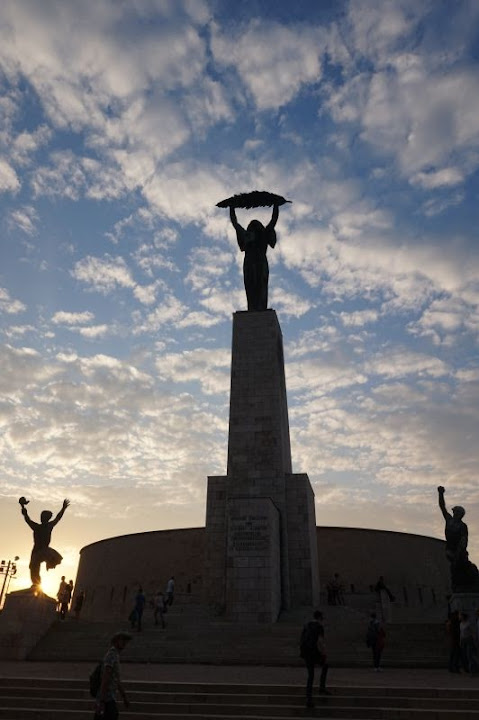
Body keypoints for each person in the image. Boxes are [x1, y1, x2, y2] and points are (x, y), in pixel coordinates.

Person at [229, 204, 279, 311]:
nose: (254, 227)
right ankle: (252, 308)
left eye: (256, 225)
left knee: (261, 285)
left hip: (260, 262)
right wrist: (231, 207)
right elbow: (235, 223)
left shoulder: (264, 234)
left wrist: (276, 205)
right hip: (249, 263)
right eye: (252, 225)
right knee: (250, 286)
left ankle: (261, 308)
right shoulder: (247, 235)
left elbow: (273, 220)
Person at [19, 496, 70, 588]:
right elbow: (27, 519)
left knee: (36, 565)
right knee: (33, 567)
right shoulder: (37, 527)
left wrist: (63, 508)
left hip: (44, 550)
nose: (42, 518)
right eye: (41, 516)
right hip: (36, 551)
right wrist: (22, 507)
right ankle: (36, 584)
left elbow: (58, 518)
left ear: (47, 518)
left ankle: (37, 582)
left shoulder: (49, 526)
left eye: (44, 517)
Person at [94, 630, 132, 720]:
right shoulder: (111, 655)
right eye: (122, 640)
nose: (124, 643)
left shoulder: (115, 655)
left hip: (110, 697)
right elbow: (105, 677)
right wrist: (102, 700)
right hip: (106, 698)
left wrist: (124, 696)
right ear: (116, 641)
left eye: (126, 641)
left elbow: (116, 679)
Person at [300, 610, 330, 708]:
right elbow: (320, 642)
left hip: (306, 653)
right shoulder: (319, 627)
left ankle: (309, 699)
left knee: (311, 675)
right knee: (325, 665)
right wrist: (324, 653)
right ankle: (321, 687)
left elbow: (302, 639)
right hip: (315, 652)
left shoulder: (307, 625)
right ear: (320, 618)